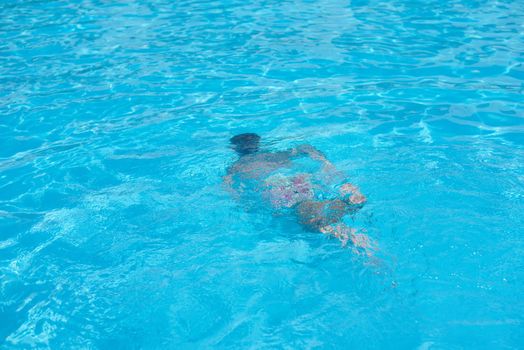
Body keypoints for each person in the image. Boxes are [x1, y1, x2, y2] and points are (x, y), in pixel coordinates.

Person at [223, 133, 374, 255]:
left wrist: (246, 206)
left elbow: (230, 188)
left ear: (234, 148)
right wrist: (325, 162)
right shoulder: (276, 155)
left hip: (276, 188)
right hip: (299, 180)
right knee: (314, 211)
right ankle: (343, 209)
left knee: (307, 214)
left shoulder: (235, 167)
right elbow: (305, 147)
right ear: (258, 143)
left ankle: (342, 207)